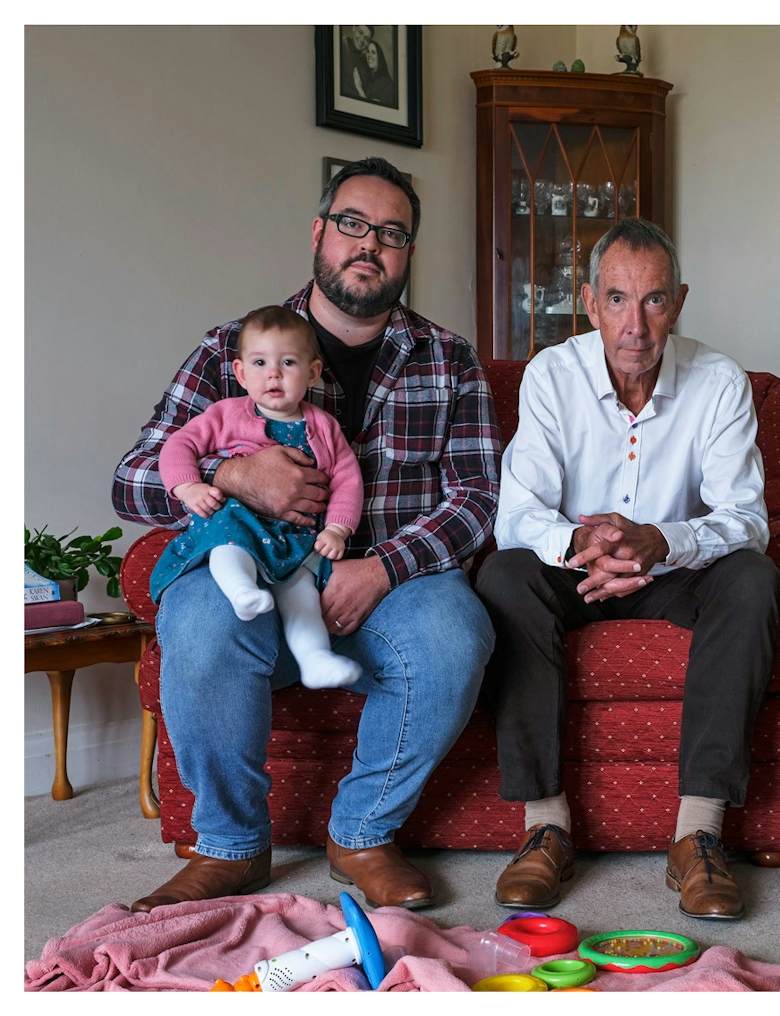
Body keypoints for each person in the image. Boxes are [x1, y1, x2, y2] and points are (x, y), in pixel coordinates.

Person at [113, 156, 501, 913]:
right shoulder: (232, 346)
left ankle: (361, 834)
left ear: (408, 254)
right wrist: (230, 477)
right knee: (193, 616)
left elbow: (478, 499)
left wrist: (383, 568)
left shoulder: (449, 361)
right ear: (319, 233)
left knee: (458, 633)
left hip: (390, 591)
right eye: (353, 224)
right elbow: (130, 478)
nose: (370, 244)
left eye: (392, 233)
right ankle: (230, 845)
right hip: (255, 583)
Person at [474, 218, 780, 921]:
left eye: (652, 302)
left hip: (673, 569)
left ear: (677, 301)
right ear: (589, 301)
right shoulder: (552, 375)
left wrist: (659, 541)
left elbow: (747, 518)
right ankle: (544, 826)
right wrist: (590, 544)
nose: (635, 324)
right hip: (574, 567)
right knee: (503, 575)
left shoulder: (720, 381)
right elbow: (518, 514)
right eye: (617, 299)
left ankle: (698, 837)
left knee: (753, 578)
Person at [149, 306, 363, 691]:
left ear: (312, 373)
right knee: (229, 546)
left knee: (301, 597)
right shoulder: (225, 415)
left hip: (293, 539)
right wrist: (188, 486)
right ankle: (241, 591)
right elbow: (177, 445)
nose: (274, 373)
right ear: (241, 373)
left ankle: (315, 660)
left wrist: (337, 528)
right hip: (237, 525)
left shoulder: (324, 426)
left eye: (289, 363)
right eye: (261, 362)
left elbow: (348, 478)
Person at [360, 39, 396, 107]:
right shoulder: (371, 79)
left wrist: (359, 88)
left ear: (379, 57)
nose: (369, 55)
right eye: (368, 51)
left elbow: (372, 109)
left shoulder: (383, 81)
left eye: (373, 52)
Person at [341, 25, 372, 99]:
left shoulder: (365, 60)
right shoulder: (341, 45)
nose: (362, 40)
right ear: (353, 28)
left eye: (366, 39)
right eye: (360, 33)